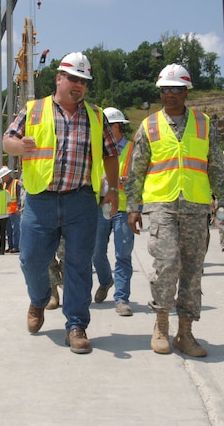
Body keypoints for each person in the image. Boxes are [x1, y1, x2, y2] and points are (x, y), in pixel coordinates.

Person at [3, 51, 120, 355]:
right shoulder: (34, 110)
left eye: (83, 81)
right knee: (31, 260)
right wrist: (20, 146)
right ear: (59, 78)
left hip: (82, 200)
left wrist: (113, 190)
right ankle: (39, 300)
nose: (78, 85)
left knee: (78, 265)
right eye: (73, 78)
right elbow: (8, 141)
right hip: (41, 199)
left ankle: (76, 325)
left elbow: (110, 154)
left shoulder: (96, 115)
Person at [126, 63, 224, 357]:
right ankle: (161, 325)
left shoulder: (204, 124)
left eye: (176, 89)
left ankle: (185, 332)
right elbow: (136, 171)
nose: (170, 94)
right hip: (162, 206)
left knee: (192, 271)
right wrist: (133, 207)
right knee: (167, 262)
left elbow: (216, 167)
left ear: (186, 92)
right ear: (160, 92)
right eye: (165, 89)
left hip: (196, 207)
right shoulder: (148, 126)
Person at [92, 107, 136, 317]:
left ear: (115, 127)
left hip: (124, 208)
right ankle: (105, 281)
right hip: (101, 206)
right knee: (95, 252)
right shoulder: (97, 149)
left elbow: (140, 179)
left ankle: (121, 298)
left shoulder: (132, 150)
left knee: (123, 254)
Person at [0, 166, 21, 253]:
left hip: (14, 210)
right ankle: (11, 246)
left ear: (7, 175)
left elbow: (20, 196)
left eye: (3, 177)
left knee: (16, 229)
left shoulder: (16, 183)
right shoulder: (4, 185)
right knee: (8, 230)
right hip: (7, 211)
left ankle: (16, 246)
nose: (2, 179)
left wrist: (18, 207)